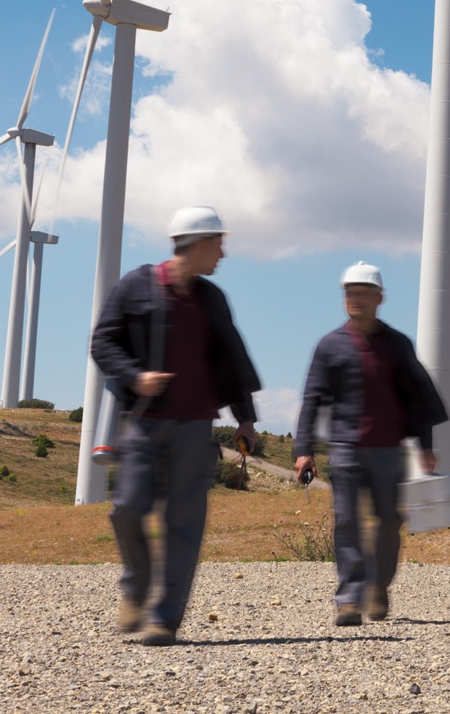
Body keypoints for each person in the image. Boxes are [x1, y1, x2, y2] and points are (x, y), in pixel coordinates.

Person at [89, 205, 262, 647]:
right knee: (126, 509)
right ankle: (137, 586)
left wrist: (245, 417)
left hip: (194, 427)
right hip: (145, 423)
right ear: (196, 244)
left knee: (185, 524)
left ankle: (165, 619)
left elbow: (231, 358)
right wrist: (135, 376)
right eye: (217, 244)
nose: (222, 254)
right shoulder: (136, 285)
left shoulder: (212, 298)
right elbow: (103, 341)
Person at [293, 262, 449, 626]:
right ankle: (348, 599)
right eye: (349, 292)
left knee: (387, 523)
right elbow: (312, 400)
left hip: (388, 451)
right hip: (345, 450)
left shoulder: (397, 345)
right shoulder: (329, 345)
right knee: (346, 522)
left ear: (379, 298)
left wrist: (425, 446)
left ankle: (378, 586)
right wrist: (304, 450)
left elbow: (417, 398)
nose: (354, 299)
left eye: (362, 293)